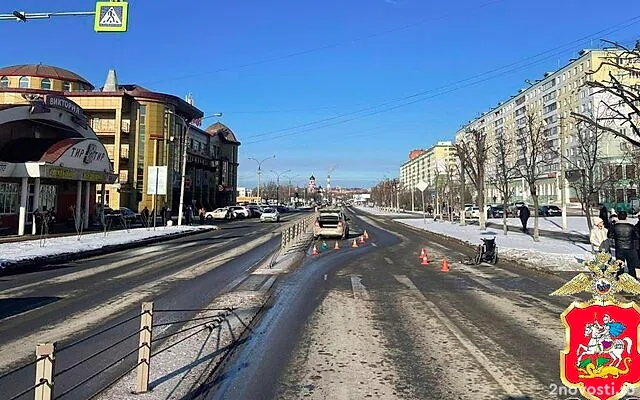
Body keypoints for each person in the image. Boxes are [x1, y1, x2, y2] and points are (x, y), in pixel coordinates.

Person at [607, 210, 639, 278]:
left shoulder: (615, 226)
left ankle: (620, 279)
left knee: (620, 265)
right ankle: (632, 279)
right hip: (630, 248)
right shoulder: (631, 226)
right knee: (631, 265)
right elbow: (637, 236)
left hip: (619, 248)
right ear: (626, 217)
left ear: (618, 217)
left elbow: (609, 235)